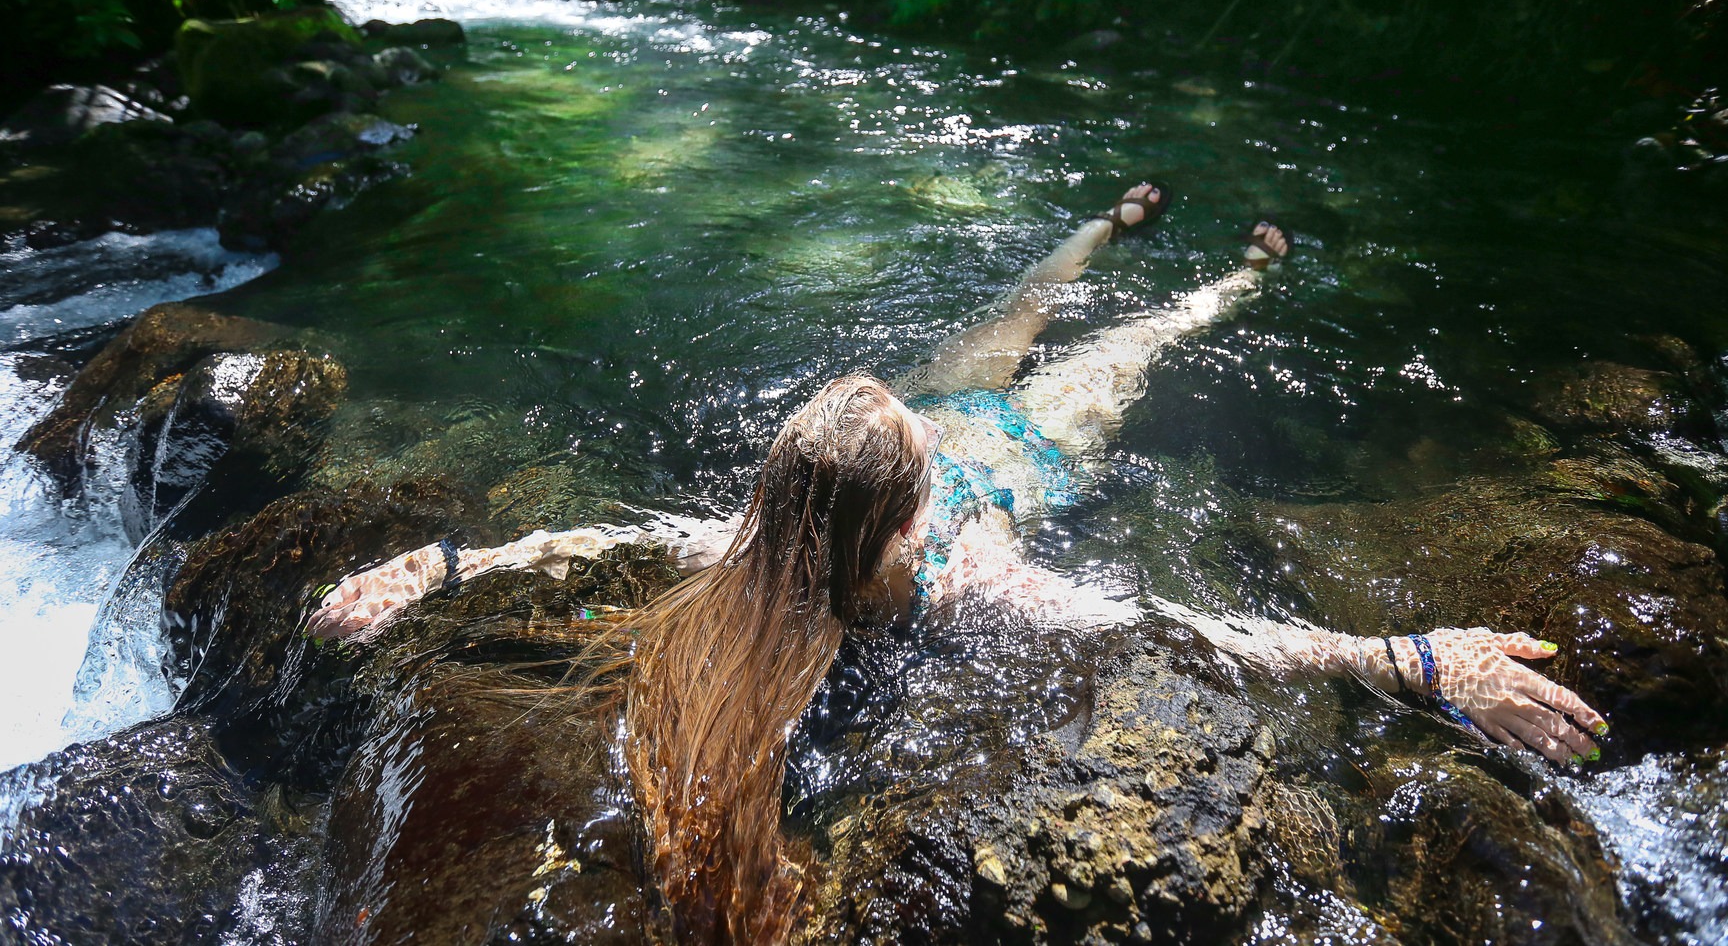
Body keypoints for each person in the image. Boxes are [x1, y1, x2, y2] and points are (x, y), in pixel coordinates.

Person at [307, 183, 1607, 944]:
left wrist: (435, 568)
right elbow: (1185, 629)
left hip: (987, 432)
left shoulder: (772, 546)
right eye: (913, 474)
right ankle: (1194, 268)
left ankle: (1142, 241)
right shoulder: (924, 569)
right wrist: (1412, 657)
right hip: (1024, 448)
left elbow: (602, 541)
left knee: (1034, 316)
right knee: (1115, 352)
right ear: (900, 528)